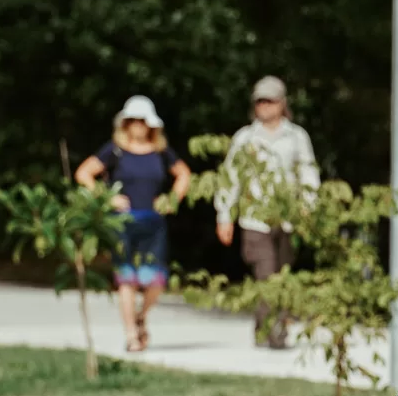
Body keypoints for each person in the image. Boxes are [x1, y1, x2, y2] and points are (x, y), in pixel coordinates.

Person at [75, 95, 190, 353]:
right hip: (122, 223)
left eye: (142, 121)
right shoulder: (115, 150)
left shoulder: (161, 152)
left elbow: (183, 174)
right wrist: (107, 197)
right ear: (125, 124)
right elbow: (84, 173)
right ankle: (131, 336)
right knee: (126, 279)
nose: (138, 125)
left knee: (155, 280)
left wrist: (171, 199)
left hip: (153, 223)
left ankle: (141, 316)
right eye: (133, 121)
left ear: (151, 125)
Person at [216, 75, 319, 348]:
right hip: (255, 219)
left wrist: (308, 206)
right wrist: (225, 215)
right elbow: (231, 177)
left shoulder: (296, 137)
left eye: (269, 101)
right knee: (266, 273)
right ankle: (274, 333)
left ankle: (266, 328)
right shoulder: (245, 138)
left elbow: (307, 171)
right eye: (260, 101)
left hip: (287, 219)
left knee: (282, 275)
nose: (264, 106)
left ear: (282, 103)